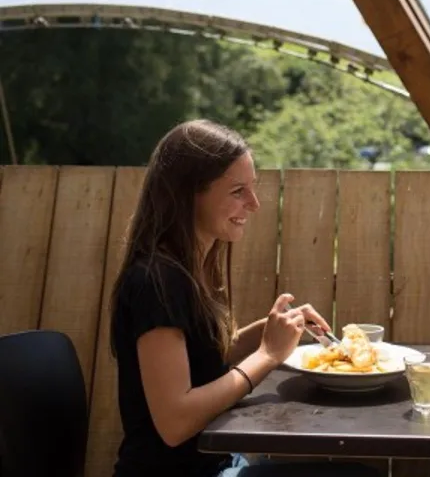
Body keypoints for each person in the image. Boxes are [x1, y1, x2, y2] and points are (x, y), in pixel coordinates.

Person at [108, 119, 377, 477]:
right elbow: (175, 422)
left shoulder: (188, 270)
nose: (254, 204)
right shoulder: (156, 282)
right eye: (238, 191)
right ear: (188, 194)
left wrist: (273, 329)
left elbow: (202, 360)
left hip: (222, 463)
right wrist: (268, 355)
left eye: (253, 188)